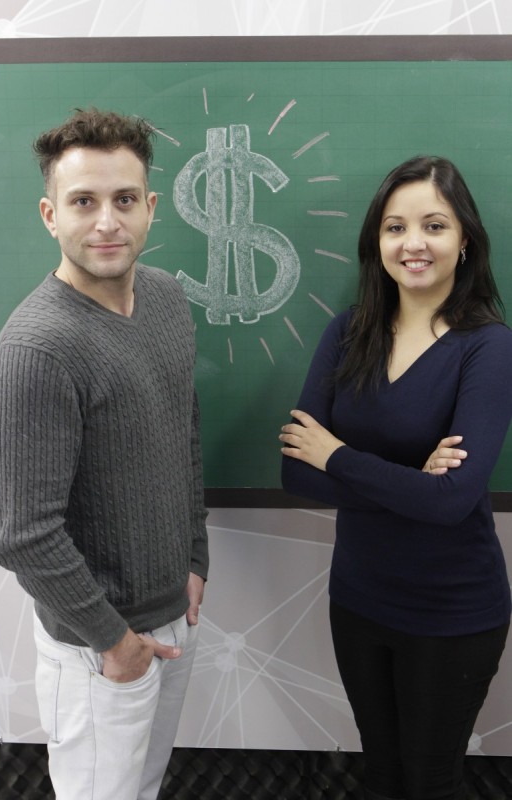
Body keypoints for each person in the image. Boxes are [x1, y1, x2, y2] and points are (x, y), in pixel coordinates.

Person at [0, 108, 209, 800]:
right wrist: (115, 643)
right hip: (99, 650)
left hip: (175, 615)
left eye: (123, 200)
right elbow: (24, 535)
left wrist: (194, 555)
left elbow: (184, 432)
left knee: (144, 789)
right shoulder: (36, 350)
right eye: (84, 201)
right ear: (51, 215)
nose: (106, 221)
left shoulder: (167, 300)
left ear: (151, 209)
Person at [280, 155, 512, 800]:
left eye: (434, 225)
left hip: (453, 610)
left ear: (464, 239)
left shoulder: (489, 347)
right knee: (380, 776)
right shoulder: (346, 332)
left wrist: (339, 456)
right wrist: (415, 479)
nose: (413, 243)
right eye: (394, 227)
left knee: (429, 782)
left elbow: (452, 502)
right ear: (375, 240)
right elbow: (294, 474)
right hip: (357, 599)